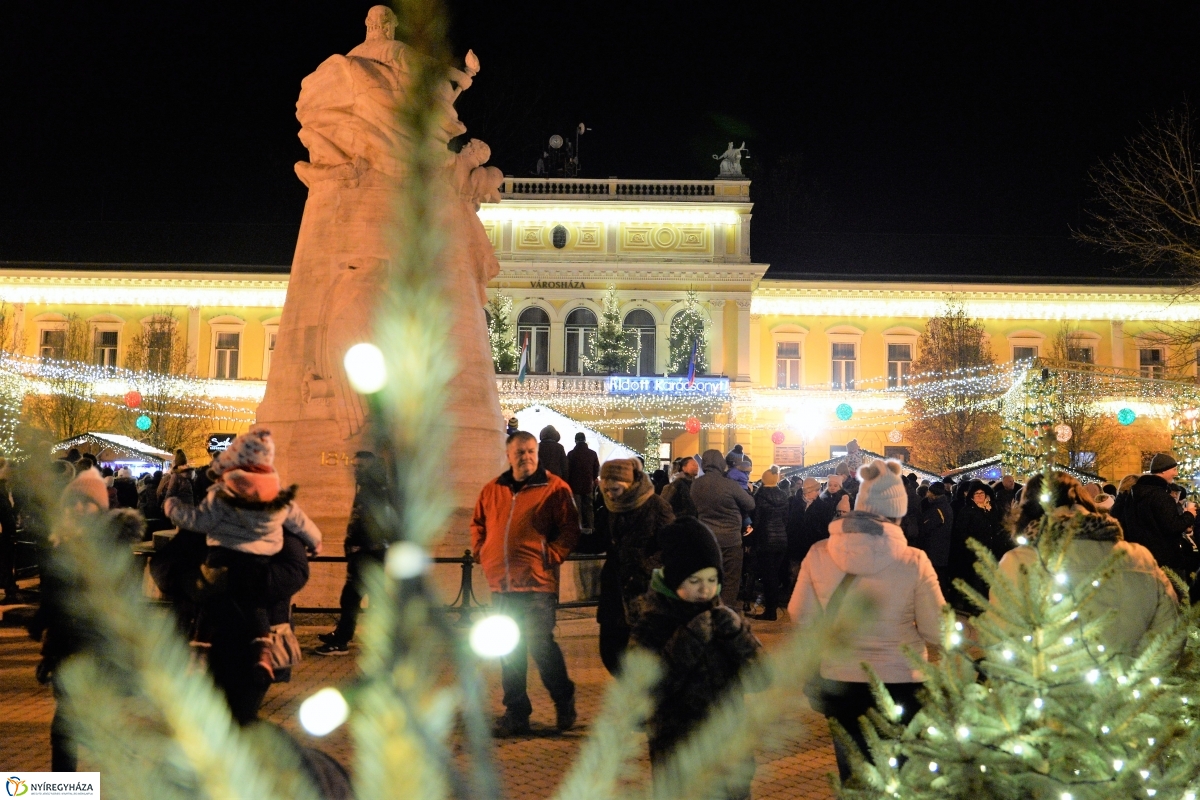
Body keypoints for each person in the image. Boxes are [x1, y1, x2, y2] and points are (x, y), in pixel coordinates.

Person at [788, 459, 944, 781]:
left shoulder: (819, 552)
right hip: (902, 680)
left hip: (840, 678)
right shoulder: (914, 560)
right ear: (898, 512)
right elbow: (935, 628)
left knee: (854, 771)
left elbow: (799, 613)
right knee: (901, 773)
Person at [164, 426, 322, 684]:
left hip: (222, 557)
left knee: (209, 605)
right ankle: (263, 653)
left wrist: (173, 508)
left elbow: (200, 521)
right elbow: (302, 523)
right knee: (256, 604)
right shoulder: (280, 499)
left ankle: (199, 653)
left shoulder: (222, 495)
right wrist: (316, 542)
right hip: (259, 560)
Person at [629, 516, 762, 800]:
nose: (705, 589)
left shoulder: (723, 618)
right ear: (674, 578)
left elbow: (761, 678)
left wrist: (738, 635)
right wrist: (688, 639)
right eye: (695, 581)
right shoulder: (653, 623)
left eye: (712, 580)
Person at [996, 473, 1179, 661]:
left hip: (1050, 686)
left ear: (1027, 511)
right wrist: (1133, 673)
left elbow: (1003, 641)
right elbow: (1168, 636)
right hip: (1130, 684)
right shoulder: (1139, 558)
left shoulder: (1019, 562)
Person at [32, 467, 145, 770]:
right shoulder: (62, 543)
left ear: (101, 507)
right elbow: (56, 594)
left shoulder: (111, 546)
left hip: (100, 652)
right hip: (67, 649)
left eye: (88, 503)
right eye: (74, 503)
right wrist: (42, 621)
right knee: (65, 732)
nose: (80, 509)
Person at [471, 431, 581, 735]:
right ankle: (516, 713)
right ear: (509, 455)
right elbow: (478, 522)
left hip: (537, 585)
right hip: (502, 587)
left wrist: (554, 554)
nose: (527, 457)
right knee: (509, 651)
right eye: (520, 452)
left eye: (531, 451)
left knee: (541, 645)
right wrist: (481, 550)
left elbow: (571, 528)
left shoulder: (556, 489)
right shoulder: (492, 489)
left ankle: (563, 697)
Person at [592, 457, 674, 674]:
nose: (609, 495)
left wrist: (647, 567)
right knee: (610, 653)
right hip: (614, 591)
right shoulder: (608, 508)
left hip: (646, 591)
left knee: (646, 656)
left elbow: (672, 547)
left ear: (631, 484)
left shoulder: (656, 506)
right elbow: (597, 541)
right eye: (605, 489)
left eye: (615, 489)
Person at [317, 452, 389, 655]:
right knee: (359, 597)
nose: (356, 470)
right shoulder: (370, 488)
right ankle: (344, 636)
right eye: (355, 466)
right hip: (367, 552)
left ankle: (342, 641)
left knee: (352, 598)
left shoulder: (375, 491)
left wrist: (359, 546)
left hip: (368, 553)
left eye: (361, 466)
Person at [1115, 453, 1198, 579]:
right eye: (1174, 469)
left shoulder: (1135, 495)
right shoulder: (1161, 496)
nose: (1176, 474)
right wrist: (1189, 514)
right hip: (1165, 562)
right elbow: (1172, 526)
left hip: (1141, 558)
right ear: (1163, 471)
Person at [691, 450, 755, 607]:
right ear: (722, 464)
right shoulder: (729, 485)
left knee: (709, 579)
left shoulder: (696, 485)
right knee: (730, 580)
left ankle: (708, 612)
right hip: (730, 540)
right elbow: (750, 504)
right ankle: (724, 615)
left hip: (706, 540)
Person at [949, 480, 1011, 606]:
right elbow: (961, 532)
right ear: (971, 496)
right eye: (976, 493)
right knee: (977, 579)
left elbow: (999, 527)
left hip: (993, 551)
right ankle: (976, 605)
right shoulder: (967, 511)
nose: (979, 495)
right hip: (975, 552)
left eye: (981, 493)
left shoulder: (993, 509)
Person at [749, 466, 789, 620]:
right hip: (781, 540)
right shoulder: (783, 495)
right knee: (775, 576)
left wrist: (751, 541)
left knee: (768, 577)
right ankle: (772, 609)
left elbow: (757, 522)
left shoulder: (760, 496)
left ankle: (770, 611)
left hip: (765, 541)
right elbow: (786, 519)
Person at [916, 481, 954, 599]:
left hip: (935, 546)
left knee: (936, 574)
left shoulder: (937, 509)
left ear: (933, 494)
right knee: (939, 574)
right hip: (941, 546)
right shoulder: (945, 505)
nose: (927, 494)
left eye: (929, 492)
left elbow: (926, 526)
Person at [797, 475, 846, 565]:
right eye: (815, 491)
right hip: (801, 545)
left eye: (818, 490)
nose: (818, 493)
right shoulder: (797, 503)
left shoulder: (823, 506)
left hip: (816, 544)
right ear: (808, 492)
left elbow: (824, 527)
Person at [566, 432, 600, 530]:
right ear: (585, 440)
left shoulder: (571, 454)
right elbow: (596, 469)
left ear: (575, 440)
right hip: (588, 485)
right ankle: (591, 527)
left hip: (575, 485)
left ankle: (579, 529)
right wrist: (593, 478)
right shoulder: (592, 453)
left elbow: (568, 470)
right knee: (589, 507)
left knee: (577, 509)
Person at [0, 458, 18, 601]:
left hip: (4, 529)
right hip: (3, 530)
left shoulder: (4, 487)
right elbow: (5, 510)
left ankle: (10, 588)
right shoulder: (2, 488)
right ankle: (10, 589)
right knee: (5, 561)